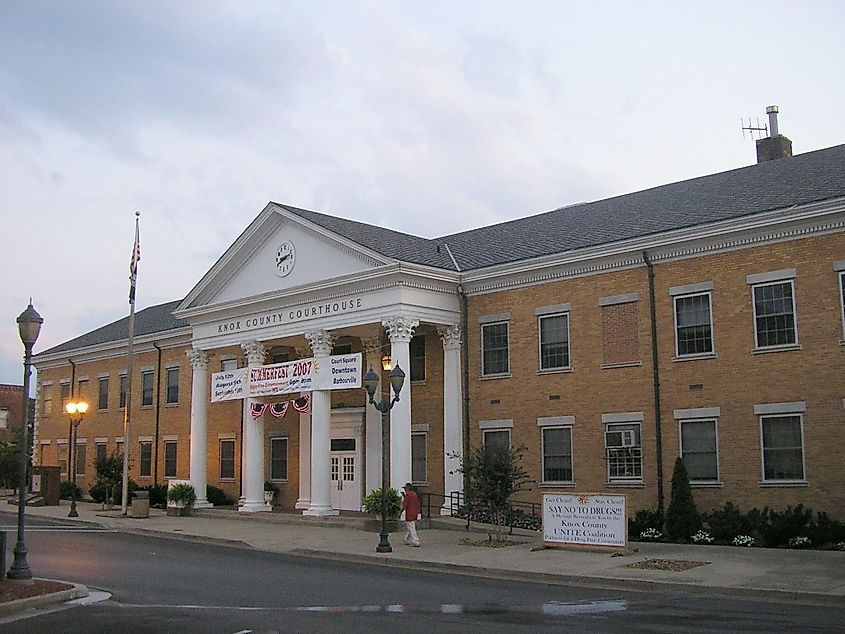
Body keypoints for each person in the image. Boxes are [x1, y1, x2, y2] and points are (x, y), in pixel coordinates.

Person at [401, 482, 420, 547]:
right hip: (415, 512)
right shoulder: (414, 494)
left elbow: (405, 505)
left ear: (408, 488)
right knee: (411, 526)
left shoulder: (408, 495)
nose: (404, 490)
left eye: (405, 488)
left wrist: (401, 510)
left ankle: (415, 541)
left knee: (411, 527)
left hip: (409, 513)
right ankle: (406, 539)